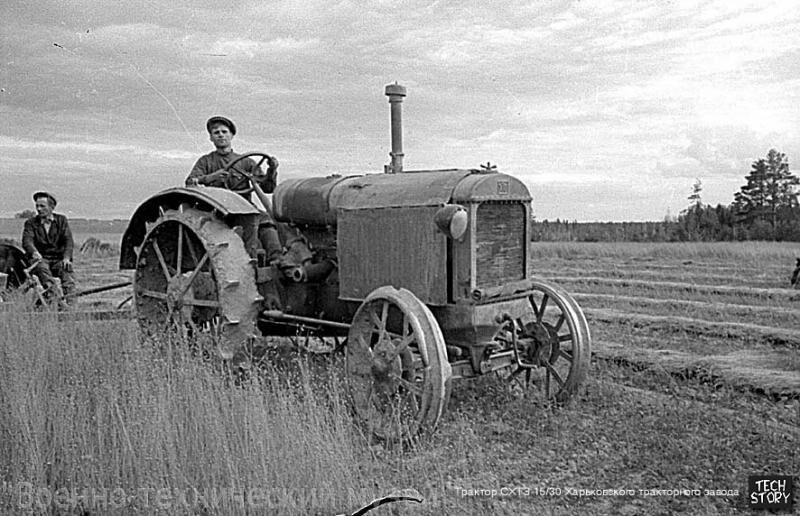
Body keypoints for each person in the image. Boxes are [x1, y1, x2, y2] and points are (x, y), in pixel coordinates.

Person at [185, 116, 282, 260]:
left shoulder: (247, 162)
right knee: (250, 218)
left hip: (245, 206)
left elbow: (268, 188)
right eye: (216, 132)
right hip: (219, 211)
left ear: (231, 135)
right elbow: (190, 183)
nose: (221, 135)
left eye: (224, 132)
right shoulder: (205, 161)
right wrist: (211, 177)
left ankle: (277, 259)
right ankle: (249, 262)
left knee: (267, 220)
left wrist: (271, 171)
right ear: (211, 138)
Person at [21, 191, 75, 305]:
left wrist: (66, 258)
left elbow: (68, 241)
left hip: (58, 259)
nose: (39, 209)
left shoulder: (61, 220)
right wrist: (34, 252)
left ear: (52, 207)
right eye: (37, 206)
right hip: (41, 259)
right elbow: (27, 241)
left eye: (42, 206)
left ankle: (71, 306)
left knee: (67, 272)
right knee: (42, 270)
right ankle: (57, 301)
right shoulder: (30, 223)